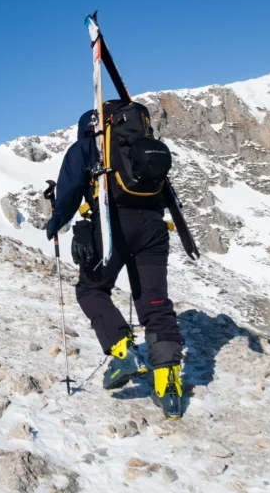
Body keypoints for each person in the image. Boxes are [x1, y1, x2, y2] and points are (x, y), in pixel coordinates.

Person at [46, 109, 185, 419]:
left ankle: (123, 351)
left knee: (91, 289)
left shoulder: (86, 148)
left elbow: (69, 192)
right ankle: (168, 387)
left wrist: (57, 221)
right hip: (153, 228)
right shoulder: (143, 145)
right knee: (155, 302)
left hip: (111, 225)